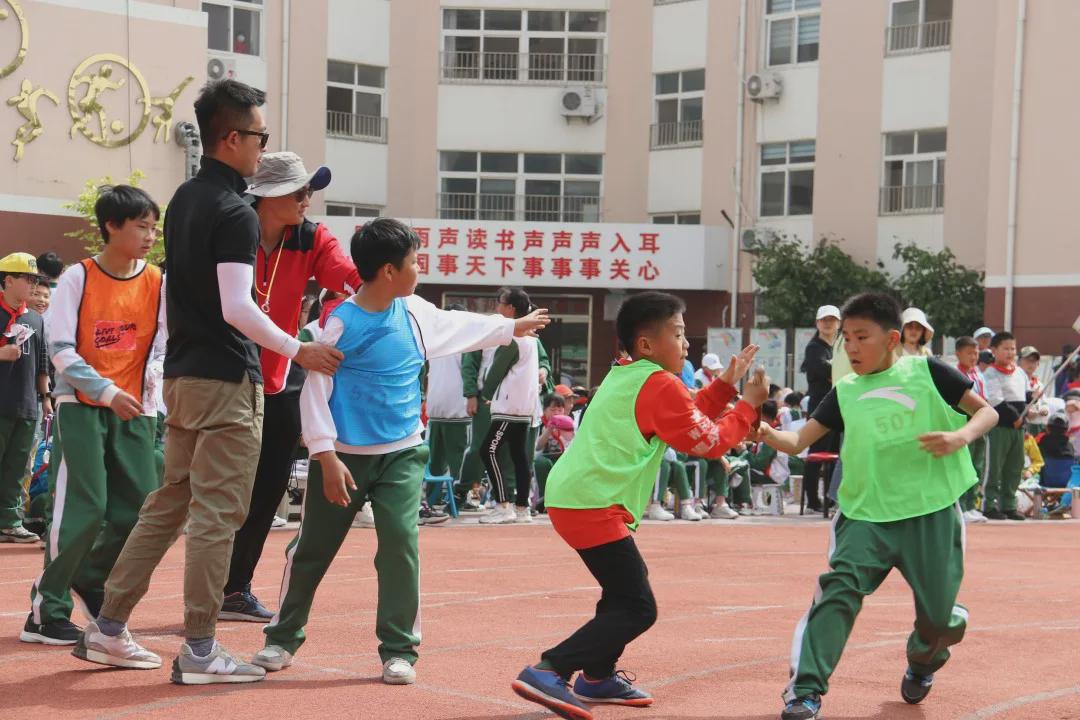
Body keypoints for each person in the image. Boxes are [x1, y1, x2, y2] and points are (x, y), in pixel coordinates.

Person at [72, 79, 342, 685]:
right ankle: (199, 649)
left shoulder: (185, 200)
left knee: (168, 503)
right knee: (219, 514)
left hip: (185, 376)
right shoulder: (233, 212)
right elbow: (237, 307)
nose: (259, 145)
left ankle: (107, 628)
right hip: (225, 379)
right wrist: (299, 347)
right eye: (258, 136)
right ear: (231, 137)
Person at [251, 219, 549, 683]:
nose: (419, 268)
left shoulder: (415, 312)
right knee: (311, 548)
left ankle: (399, 651)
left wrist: (511, 327)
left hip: (404, 452)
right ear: (389, 270)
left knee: (400, 544)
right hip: (343, 458)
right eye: (414, 261)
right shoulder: (337, 324)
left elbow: (461, 326)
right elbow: (314, 393)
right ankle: (281, 639)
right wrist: (325, 456)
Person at [511, 292, 766, 719]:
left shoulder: (630, 373)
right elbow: (709, 440)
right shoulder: (658, 382)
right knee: (638, 607)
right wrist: (748, 406)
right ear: (647, 344)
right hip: (591, 503)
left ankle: (597, 674)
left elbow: (685, 415)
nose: (687, 345)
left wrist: (725, 388)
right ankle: (551, 668)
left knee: (621, 592)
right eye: (680, 334)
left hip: (577, 498)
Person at [757, 292, 997, 720]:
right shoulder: (845, 390)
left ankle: (924, 659)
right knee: (836, 595)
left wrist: (960, 436)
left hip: (932, 512)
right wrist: (759, 427)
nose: (850, 347)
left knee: (940, 621)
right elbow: (796, 442)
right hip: (864, 515)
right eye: (845, 339)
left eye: (860, 337)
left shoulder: (928, 371)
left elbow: (986, 414)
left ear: (890, 338)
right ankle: (804, 692)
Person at [22, 186, 167, 644]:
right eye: (141, 226)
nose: (149, 236)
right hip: (82, 406)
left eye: (153, 227)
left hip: (137, 411)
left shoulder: (159, 282)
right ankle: (47, 611)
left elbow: (161, 346)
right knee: (84, 509)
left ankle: (90, 575)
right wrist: (105, 391)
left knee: (140, 512)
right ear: (111, 226)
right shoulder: (77, 278)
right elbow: (60, 347)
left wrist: (152, 395)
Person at [220, 151, 360, 623]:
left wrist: (382, 277)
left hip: (278, 381)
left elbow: (348, 275)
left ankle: (234, 590)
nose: (307, 199)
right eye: (299, 191)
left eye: (309, 190)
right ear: (266, 194)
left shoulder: (312, 237)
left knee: (266, 492)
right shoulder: (232, 229)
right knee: (217, 492)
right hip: (221, 379)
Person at [479, 287, 541, 525]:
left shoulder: (514, 337)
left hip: (508, 406)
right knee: (519, 456)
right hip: (524, 407)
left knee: (488, 450)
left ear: (511, 308)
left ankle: (503, 505)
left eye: (500, 303)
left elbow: (497, 369)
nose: (497, 307)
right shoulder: (531, 338)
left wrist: (486, 393)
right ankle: (522, 507)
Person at [0, 253, 50, 543]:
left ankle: (9, 521)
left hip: (27, 404)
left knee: (18, 468)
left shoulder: (35, 319)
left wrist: (45, 397)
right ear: (8, 280)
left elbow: (42, 361)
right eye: (27, 279)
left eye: (35, 280)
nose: (33, 286)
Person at [424, 303, 472, 507]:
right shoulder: (465, 342)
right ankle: (455, 499)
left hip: (440, 408)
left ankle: (435, 500)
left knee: (438, 461)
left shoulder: (434, 341)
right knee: (454, 461)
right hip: (455, 410)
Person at [982, 331, 1028, 521]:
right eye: (1006, 348)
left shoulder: (1020, 372)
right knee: (994, 466)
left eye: (1013, 348)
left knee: (1014, 466)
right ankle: (989, 503)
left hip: (1018, 428)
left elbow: (1027, 396)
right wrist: (1014, 417)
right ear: (994, 350)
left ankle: (1008, 504)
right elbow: (995, 400)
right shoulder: (990, 373)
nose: (1010, 352)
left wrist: (1033, 409)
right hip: (999, 426)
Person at [800, 304, 840, 512]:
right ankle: (812, 500)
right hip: (820, 406)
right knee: (816, 453)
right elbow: (824, 368)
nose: (828, 324)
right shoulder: (814, 347)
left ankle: (830, 498)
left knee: (835, 453)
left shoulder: (838, 347)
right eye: (824, 320)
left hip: (838, 404)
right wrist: (839, 369)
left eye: (832, 320)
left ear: (838, 324)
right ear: (817, 323)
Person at [954, 336, 989, 523]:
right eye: (969, 353)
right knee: (963, 464)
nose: (974, 356)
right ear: (957, 353)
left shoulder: (979, 375)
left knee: (977, 465)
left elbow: (985, 400)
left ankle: (971, 505)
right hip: (963, 422)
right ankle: (961, 505)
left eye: (976, 353)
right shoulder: (953, 374)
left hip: (979, 422)